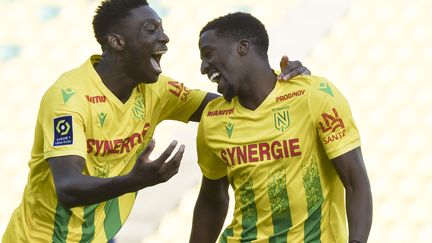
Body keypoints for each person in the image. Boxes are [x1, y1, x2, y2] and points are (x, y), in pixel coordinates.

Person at [2, 0, 308, 242]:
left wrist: (280, 86)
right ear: (117, 42)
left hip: (98, 237)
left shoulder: (157, 91)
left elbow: (230, 107)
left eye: (161, 28)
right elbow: (68, 187)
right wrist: (134, 181)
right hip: (38, 238)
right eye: (150, 30)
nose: (164, 37)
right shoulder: (68, 98)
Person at [190, 12, 373, 243]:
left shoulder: (313, 96)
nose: (203, 68)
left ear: (242, 47)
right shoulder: (213, 118)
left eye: (208, 54)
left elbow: (355, 181)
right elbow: (212, 198)